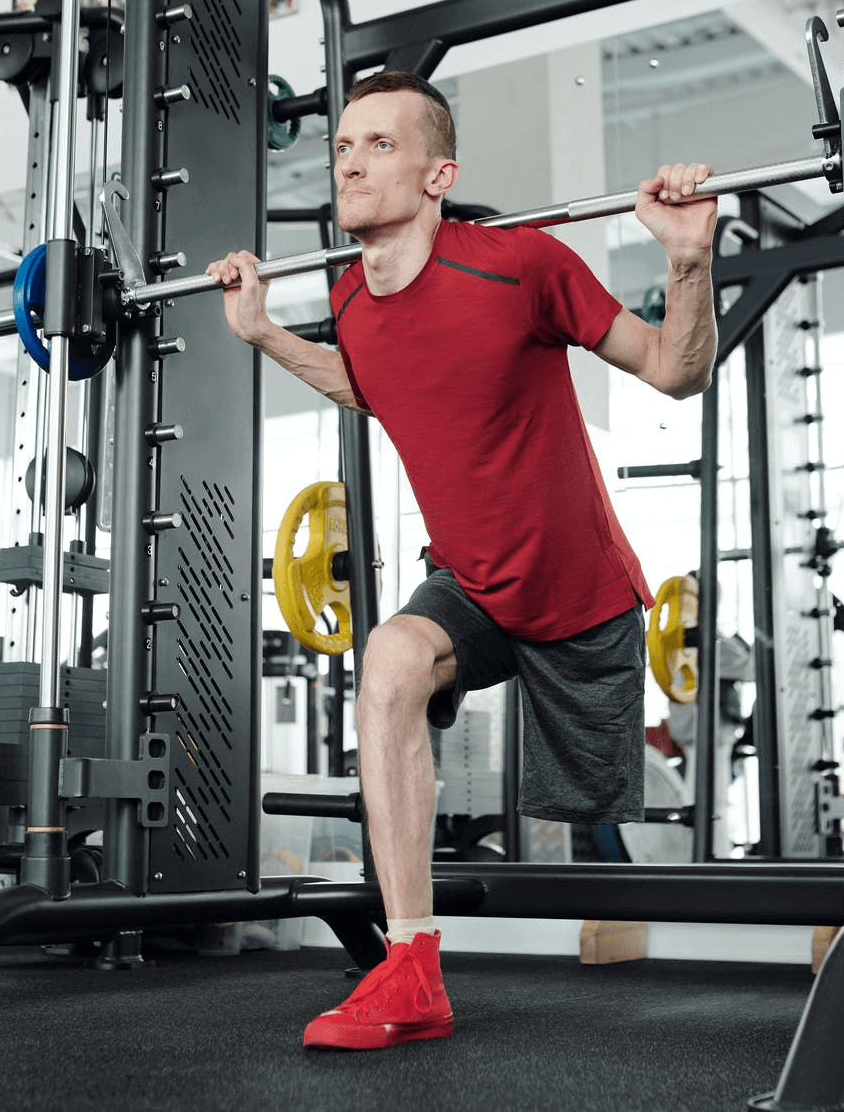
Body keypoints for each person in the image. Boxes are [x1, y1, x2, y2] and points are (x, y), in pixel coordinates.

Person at [209, 70, 716, 1050]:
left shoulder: (520, 263)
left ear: (439, 174)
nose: (349, 160)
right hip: (472, 586)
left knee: (607, 838)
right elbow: (370, 385)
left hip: (578, 599)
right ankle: (411, 967)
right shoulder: (349, 293)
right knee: (389, 658)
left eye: (380, 145)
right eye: (342, 145)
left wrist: (689, 261)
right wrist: (265, 332)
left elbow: (675, 369)